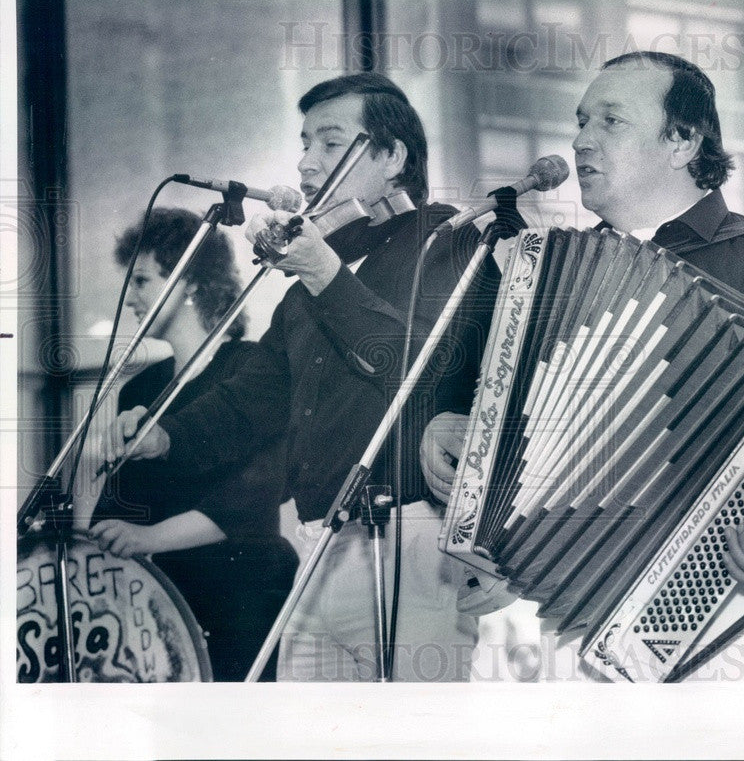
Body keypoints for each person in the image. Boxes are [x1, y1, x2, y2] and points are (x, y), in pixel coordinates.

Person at [421, 51, 744, 682]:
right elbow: (529, 439)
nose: (581, 139)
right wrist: (448, 431)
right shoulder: (544, 276)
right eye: (581, 120)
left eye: (610, 122)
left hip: (712, 629)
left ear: (682, 141)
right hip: (548, 623)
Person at [102, 73, 500, 682]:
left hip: (412, 540)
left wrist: (323, 269)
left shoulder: (444, 240)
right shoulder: (308, 286)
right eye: (305, 143)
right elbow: (252, 399)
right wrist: (165, 434)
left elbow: (415, 374)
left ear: (393, 157)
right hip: (324, 541)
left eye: (330, 144)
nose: (307, 162)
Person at [78, 207, 298, 681]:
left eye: (141, 281)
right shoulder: (140, 390)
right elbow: (120, 509)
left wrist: (148, 538)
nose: (130, 297)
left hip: (242, 593)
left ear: (192, 282)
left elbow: (252, 501)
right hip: (163, 598)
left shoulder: (252, 370)